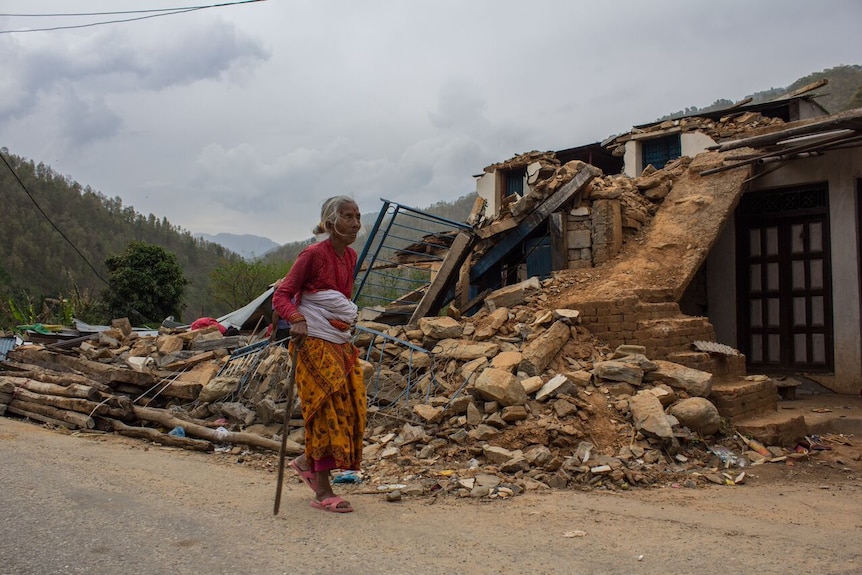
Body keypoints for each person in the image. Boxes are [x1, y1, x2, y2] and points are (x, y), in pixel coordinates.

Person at [272, 195, 365, 513]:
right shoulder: (311, 255)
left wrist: (342, 320)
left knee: (350, 405)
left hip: (338, 340)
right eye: (349, 217)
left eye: (358, 216)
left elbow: (339, 298)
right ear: (330, 224)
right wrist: (296, 319)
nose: (356, 223)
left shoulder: (350, 256)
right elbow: (282, 295)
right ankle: (323, 491)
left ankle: (305, 461)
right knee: (326, 407)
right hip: (311, 340)